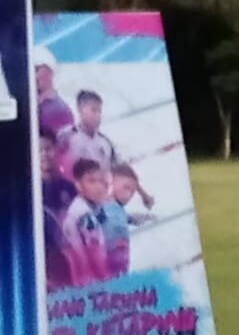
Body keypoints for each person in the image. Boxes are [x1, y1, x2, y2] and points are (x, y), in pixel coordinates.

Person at [58, 89, 155, 208]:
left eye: (99, 111)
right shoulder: (65, 137)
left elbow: (122, 169)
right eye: (93, 110)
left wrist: (143, 195)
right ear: (81, 109)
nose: (98, 115)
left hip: (97, 202)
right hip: (69, 200)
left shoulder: (105, 143)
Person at [62, 158, 111, 287]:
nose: (99, 186)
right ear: (78, 186)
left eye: (101, 180)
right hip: (91, 282)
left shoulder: (93, 206)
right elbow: (96, 256)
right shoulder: (84, 215)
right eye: (92, 181)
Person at [102, 163, 155, 277]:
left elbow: (127, 218)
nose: (128, 195)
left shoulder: (118, 208)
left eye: (132, 192)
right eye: (126, 187)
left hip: (122, 259)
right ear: (110, 181)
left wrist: (144, 218)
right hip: (108, 256)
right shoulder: (103, 205)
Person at [39, 127, 76, 291]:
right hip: (46, 264)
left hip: (72, 260)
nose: (44, 154)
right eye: (39, 150)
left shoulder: (69, 188)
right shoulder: (28, 193)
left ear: (56, 150)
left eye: (48, 149)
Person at [34, 46, 74, 135]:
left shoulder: (60, 110)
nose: (32, 75)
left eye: (36, 69)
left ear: (50, 72)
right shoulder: (32, 105)